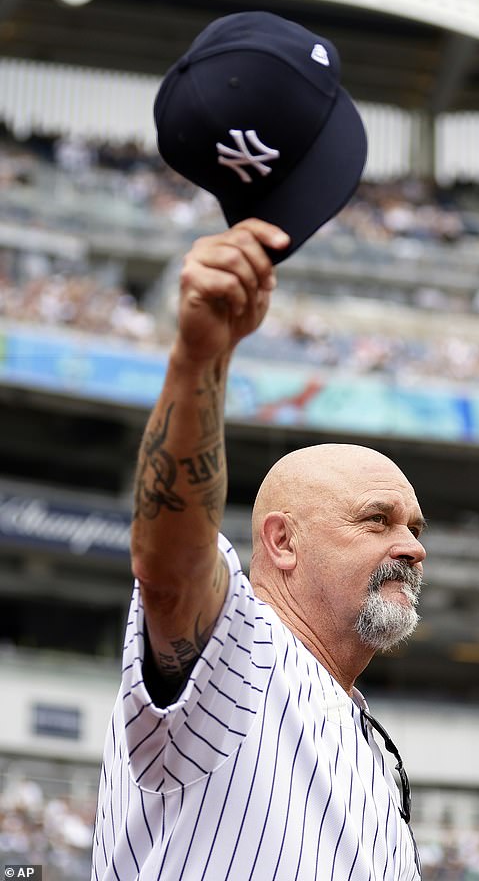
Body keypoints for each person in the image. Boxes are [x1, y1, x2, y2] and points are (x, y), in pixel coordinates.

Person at [91, 219, 426, 880]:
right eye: (377, 520)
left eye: (416, 527)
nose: (410, 547)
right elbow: (170, 566)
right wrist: (200, 359)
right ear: (282, 540)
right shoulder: (242, 654)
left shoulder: (372, 753)